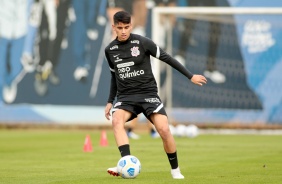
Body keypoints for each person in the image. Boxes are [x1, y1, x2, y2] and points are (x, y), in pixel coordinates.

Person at [104, 11, 207, 179]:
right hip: (126, 97)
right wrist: (110, 101)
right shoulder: (110, 50)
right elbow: (114, 77)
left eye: (127, 27)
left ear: (132, 25)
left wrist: (190, 76)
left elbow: (167, 58)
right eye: (120, 28)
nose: (123, 31)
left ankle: (175, 170)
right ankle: (126, 163)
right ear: (113, 27)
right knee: (116, 121)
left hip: (148, 95)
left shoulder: (142, 42)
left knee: (164, 130)